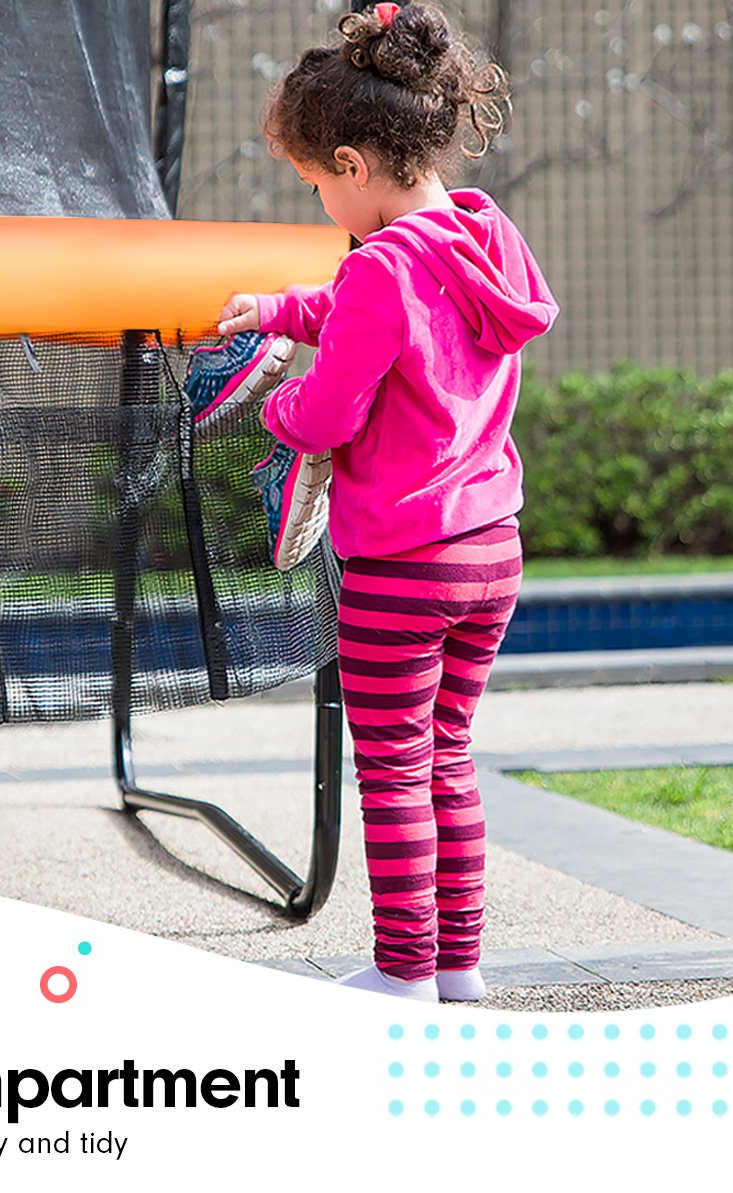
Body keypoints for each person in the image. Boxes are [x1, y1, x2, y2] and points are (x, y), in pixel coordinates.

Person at [216, 2, 558, 1002]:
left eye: (317, 185)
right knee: (447, 757)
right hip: (490, 547)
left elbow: (328, 411)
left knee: (395, 766)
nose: (322, 201)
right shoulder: (481, 236)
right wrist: (283, 308)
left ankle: (403, 971)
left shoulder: (377, 269)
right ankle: (459, 965)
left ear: (354, 165)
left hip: (403, 562)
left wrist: (273, 404)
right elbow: (386, 308)